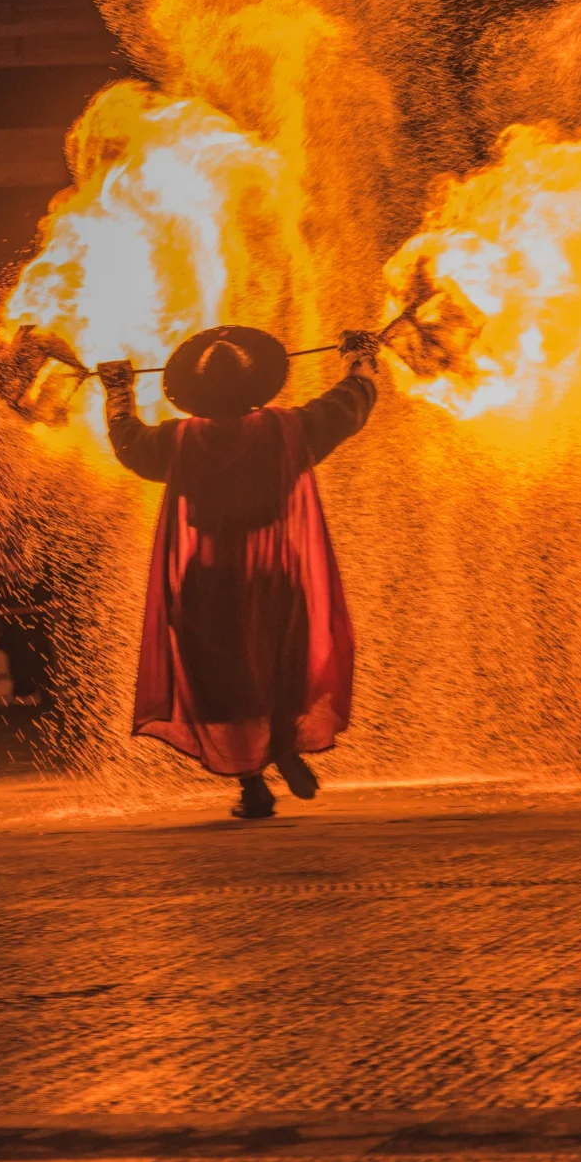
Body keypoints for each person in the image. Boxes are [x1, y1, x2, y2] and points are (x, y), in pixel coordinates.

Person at [98, 325, 378, 818]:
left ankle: (252, 784)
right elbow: (349, 403)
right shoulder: (287, 430)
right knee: (279, 667)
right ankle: (284, 747)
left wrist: (118, 390)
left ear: (197, 396)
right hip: (274, 579)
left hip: (207, 583)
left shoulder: (179, 440)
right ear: (254, 389)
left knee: (220, 684)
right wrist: (359, 356)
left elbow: (128, 441)